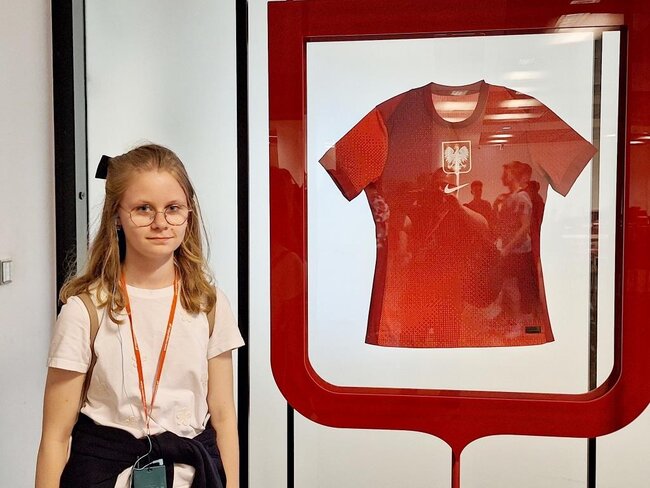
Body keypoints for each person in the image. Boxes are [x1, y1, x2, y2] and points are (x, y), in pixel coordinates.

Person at [35, 144, 244, 488]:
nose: (160, 223)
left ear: (189, 214)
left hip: (193, 478)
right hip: (104, 477)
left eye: (173, 208)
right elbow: (55, 436)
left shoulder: (209, 305)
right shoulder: (84, 311)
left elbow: (223, 418)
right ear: (117, 215)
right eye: (143, 209)